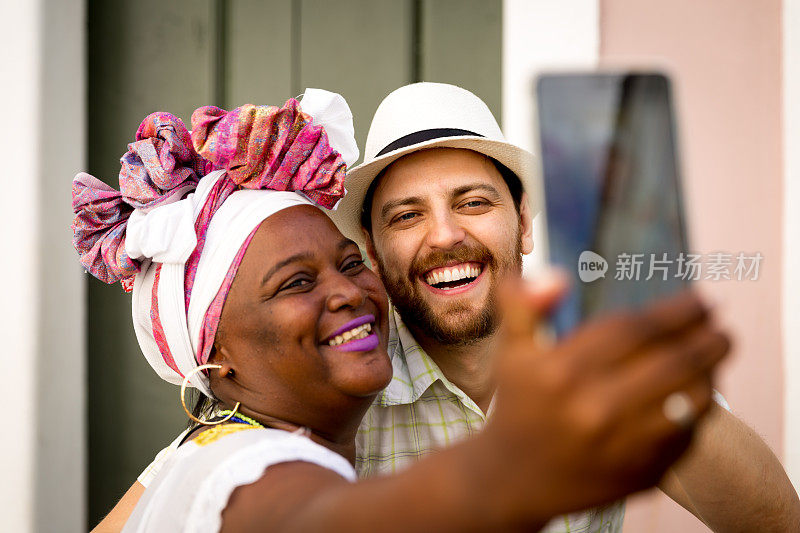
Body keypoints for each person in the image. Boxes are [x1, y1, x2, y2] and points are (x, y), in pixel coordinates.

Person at [93, 84, 755, 532]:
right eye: (407, 215)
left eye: (472, 202)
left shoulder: (589, 352)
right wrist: (506, 470)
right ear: (379, 250)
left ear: (523, 224)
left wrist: (662, 377)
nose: (443, 236)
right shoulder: (318, 399)